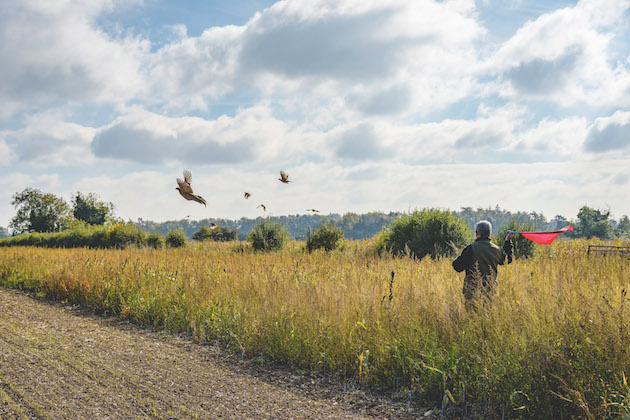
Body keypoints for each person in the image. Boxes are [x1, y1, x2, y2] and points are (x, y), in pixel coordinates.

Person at [452, 220, 514, 303]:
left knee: (472, 314)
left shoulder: (470, 249)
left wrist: (457, 258)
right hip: (490, 290)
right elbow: (508, 259)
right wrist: (508, 241)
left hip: (472, 291)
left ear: (477, 233)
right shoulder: (497, 250)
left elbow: (457, 267)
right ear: (489, 233)